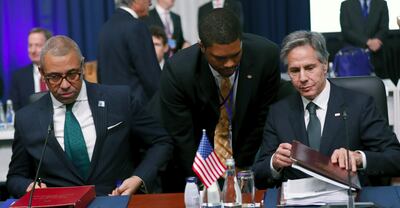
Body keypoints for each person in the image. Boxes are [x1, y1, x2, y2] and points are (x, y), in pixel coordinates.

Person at [7, 35, 173, 197]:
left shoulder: (119, 99)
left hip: (115, 201)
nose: (65, 85)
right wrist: (29, 187)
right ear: (42, 73)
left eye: (72, 74)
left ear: (82, 67)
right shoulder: (26, 119)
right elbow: (15, 177)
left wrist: (139, 178)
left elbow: (161, 142)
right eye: (55, 77)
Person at [253, 30, 400, 189]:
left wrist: (358, 158)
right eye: (295, 71)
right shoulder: (278, 112)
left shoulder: (359, 104)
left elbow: (395, 158)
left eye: (309, 68)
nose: (302, 78)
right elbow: (259, 173)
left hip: (348, 200)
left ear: (324, 64)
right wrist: (274, 163)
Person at [157, 8, 280, 191]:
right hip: (199, 157)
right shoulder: (179, 71)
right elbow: (182, 136)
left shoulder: (266, 56)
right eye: (220, 58)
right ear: (202, 48)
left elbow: (262, 119)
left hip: (249, 154)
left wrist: (242, 167)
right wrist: (210, 182)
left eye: (235, 55)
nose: (230, 63)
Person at [97, 0, 160, 104]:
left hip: (112, 106)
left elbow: (101, 73)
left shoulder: (105, 28)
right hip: (138, 109)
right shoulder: (137, 27)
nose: (150, 3)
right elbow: (151, 76)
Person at [340, 0, 389, 78]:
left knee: (377, 87)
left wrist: (376, 41)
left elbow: (384, 28)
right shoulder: (346, 4)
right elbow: (346, 30)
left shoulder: (382, 3)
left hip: (376, 56)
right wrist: (368, 42)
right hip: (353, 57)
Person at [10, 27, 52, 110]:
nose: (33, 50)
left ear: (49, 47)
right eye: (30, 45)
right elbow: (15, 110)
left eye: (38, 45)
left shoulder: (59, 72)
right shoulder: (18, 77)